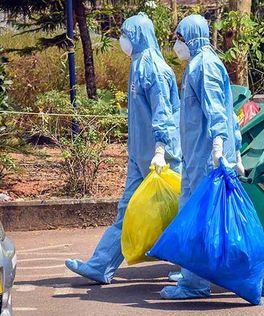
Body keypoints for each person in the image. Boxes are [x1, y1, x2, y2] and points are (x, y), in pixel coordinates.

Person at [160, 14, 264, 300]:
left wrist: (220, 145)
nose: (176, 44)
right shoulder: (199, 64)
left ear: (191, 36)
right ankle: (196, 280)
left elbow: (218, 110)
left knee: (214, 221)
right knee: (199, 219)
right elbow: (229, 112)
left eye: (179, 38)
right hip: (198, 156)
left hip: (208, 157)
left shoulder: (204, 65)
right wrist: (236, 147)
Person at [65, 13, 181, 284]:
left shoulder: (153, 67)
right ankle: (100, 265)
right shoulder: (139, 64)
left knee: (183, 211)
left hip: (160, 157)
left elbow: (163, 113)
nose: (123, 40)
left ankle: (195, 270)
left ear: (138, 36)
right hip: (140, 157)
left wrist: (161, 149)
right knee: (126, 210)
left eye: (126, 34)